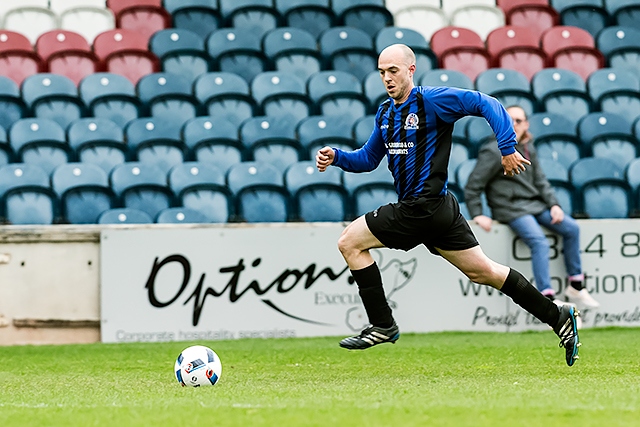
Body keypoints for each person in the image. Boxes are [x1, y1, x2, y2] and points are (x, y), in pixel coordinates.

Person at [315, 44, 581, 366]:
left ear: (411, 70)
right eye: (382, 72)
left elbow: (488, 103)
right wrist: (338, 157)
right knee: (485, 272)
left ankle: (383, 324)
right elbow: (369, 159)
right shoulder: (385, 113)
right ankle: (558, 316)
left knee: (349, 243)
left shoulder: (432, 101)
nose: (387, 78)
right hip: (438, 210)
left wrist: (507, 147)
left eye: (393, 71)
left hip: (423, 207)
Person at [464, 106, 600, 310]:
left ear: (526, 124)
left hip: (534, 205)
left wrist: (554, 204)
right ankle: (548, 299)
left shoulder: (528, 147)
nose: (514, 124)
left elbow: (541, 181)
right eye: (509, 120)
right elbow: (473, 185)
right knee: (540, 242)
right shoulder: (493, 150)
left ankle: (576, 286)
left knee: (572, 228)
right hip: (510, 208)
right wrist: (478, 214)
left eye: (518, 120)